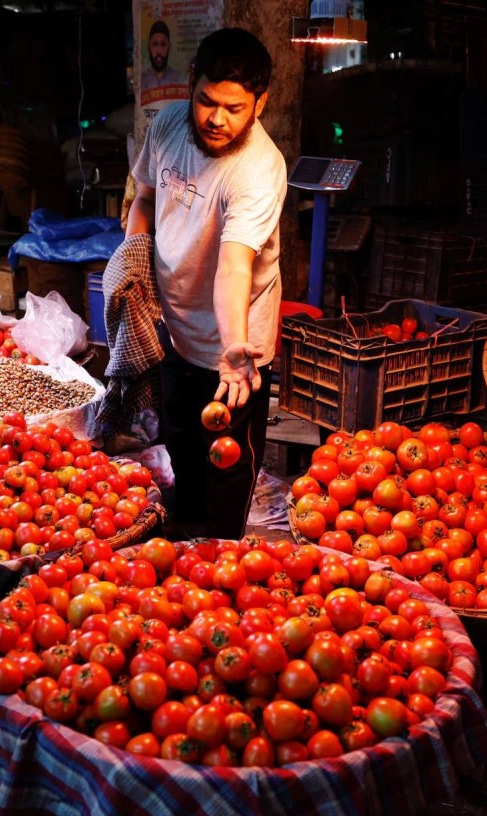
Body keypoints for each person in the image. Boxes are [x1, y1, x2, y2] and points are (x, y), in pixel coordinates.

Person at [127, 27, 287, 539]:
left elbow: (234, 264)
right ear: (191, 84)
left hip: (233, 350)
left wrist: (234, 346)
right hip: (173, 328)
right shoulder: (169, 125)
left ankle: (225, 557)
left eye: (235, 108)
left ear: (260, 104)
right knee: (179, 442)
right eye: (207, 101)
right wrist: (133, 260)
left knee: (228, 465)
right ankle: (183, 550)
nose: (216, 119)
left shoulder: (260, 170)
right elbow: (146, 200)